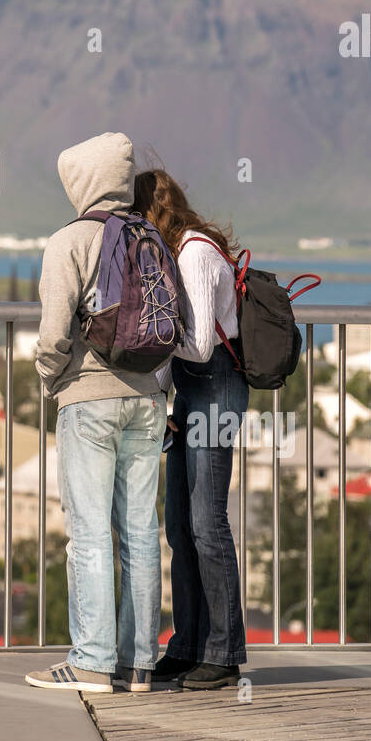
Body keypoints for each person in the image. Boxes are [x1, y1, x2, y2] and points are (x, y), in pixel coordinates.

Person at [26, 133, 167, 694]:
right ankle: (138, 665)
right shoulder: (149, 236)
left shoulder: (70, 241)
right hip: (149, 400)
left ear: (80, 184)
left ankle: (89, 662)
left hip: (90, 397)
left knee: (88, 535)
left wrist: (49, 378)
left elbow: (54, 332)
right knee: (140, 532)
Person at [133, 168, 249, 690]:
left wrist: (148, 337)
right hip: (190, 393)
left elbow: (200, 344)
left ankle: (223, 652)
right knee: (179, 527)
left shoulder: (196, 255)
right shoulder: (177, 254)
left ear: (156, 215)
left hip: (215, 390)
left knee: (207, 523)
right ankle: (186, 645)